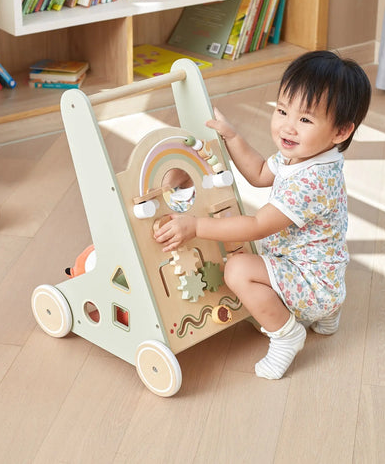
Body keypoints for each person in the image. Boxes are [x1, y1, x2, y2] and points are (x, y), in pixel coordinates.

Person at [154, 51, 371, 380]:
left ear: (340, 132)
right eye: (282, 110)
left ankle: (287, 334)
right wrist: (232, 138)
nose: (287, 126)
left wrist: (196, 225)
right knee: (266, 256)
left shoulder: (311, 182)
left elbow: (256, 226)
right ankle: (326, 315)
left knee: (238, 268)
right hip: (325, 274)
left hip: (310, 283)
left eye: (305, 120)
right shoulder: (309, 157)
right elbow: (258, 172)